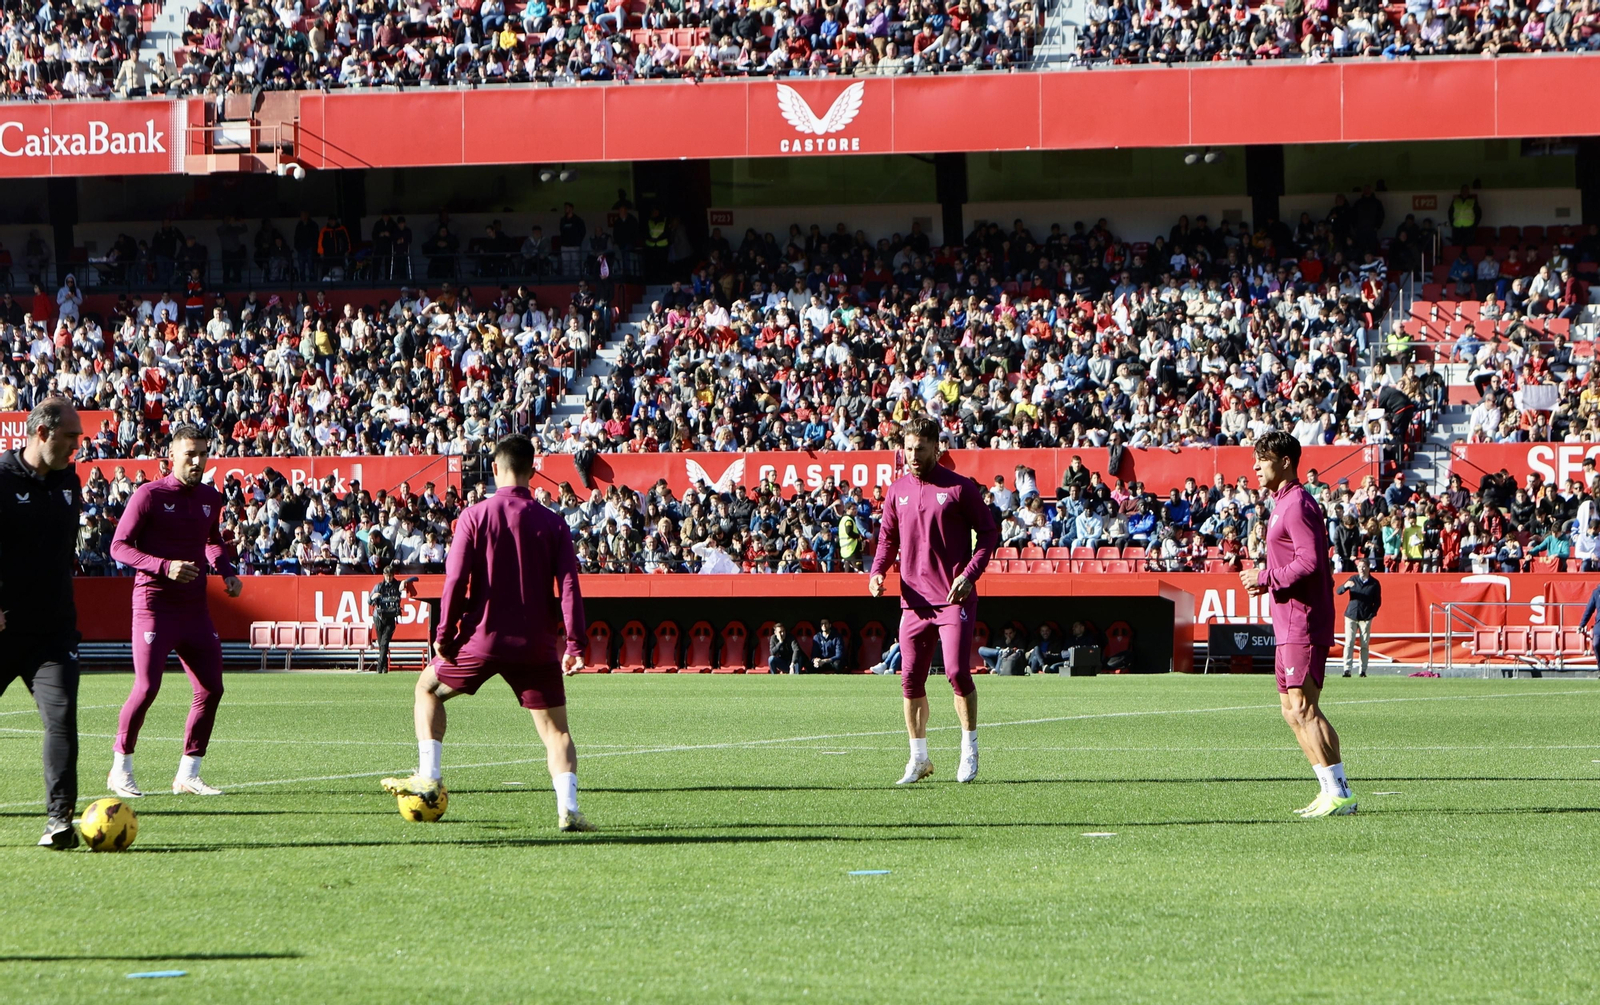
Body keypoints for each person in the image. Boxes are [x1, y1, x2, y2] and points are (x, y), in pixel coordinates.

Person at [381, 435, 595, 833]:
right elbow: (569, 586)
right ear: (533, 472)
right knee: (557, 732)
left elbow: (456, 580)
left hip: (481, 638)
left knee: (426, 689)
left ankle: (430, 776)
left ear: (495, 470)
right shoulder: (553, 522)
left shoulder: (474, 516)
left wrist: (444, 633)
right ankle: (568, 808)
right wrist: (575, 643)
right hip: (534, 644)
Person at [109, 424, 244, 798]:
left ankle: (188, 773)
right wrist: (163, 565)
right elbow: (118, 547)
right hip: (153, 605)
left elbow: (212, 539)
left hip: (194, 608)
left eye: (203, 453)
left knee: (211, 688)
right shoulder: (148, 495)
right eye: (191, 454)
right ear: (173, 456)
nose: (198, 461)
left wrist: (226, 571)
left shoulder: (210, 498)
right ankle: (120, 767)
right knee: (148, 686)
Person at [869, 415, 999, 785]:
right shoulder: (897, 491)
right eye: (908, 448)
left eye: (920, 449)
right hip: (913, 602)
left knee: (957, 673)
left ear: (936, 449)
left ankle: (969, 750)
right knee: (910, 680)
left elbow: (989, 534)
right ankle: (919, 758)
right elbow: (886, 540)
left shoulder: (959, 488)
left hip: (953, 598)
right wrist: (878, 572)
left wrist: (968, 575)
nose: (912, 455)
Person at [1240, 431, 1355, 818]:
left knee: (1305, 708)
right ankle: (1329, 790)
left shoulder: (1297, 505)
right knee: (1291, 711)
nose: (1255, 466)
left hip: (1302, 621)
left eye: (1262, 459)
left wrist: (1265, 577)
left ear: (1285, 461)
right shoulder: (1281, 503)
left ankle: (1340, 792)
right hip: (1287, 622)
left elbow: (1309, 562)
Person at [0, 399, 84, 849]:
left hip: (52, 631)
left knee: (62, 717)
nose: (77, 444)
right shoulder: (1, 477)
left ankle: (59, 822)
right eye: (70, 436)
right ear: (42, 433)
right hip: (2, 628)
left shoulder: (70, 480)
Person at [368, 564, 418, 674]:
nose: (389, 578)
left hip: (391, 616)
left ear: (393, 575)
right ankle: (385, 668)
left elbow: (407, 582)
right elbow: (369, 601)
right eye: (387, 576)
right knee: (381, 643)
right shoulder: (379, 586)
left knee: (384, 643)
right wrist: (373, 597)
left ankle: (379, 668)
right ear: (383, 575)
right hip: (379, 617)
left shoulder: (397, 585)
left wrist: (405, 583)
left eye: (390, 576)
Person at [1336, 556, 1382, 678]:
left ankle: (1363, 670)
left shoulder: (1374, 583)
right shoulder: (1353, 579)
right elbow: (1338, 591)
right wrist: (1345, 586)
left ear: (1368, 568)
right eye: (1359, 567)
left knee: (1364, 644)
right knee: (1349, 642)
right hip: (1351, 615)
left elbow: (1377, 601)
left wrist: (1372, 614)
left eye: (1363, 567)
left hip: (1365, 617)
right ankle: (1347, 669)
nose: (1361, 569)